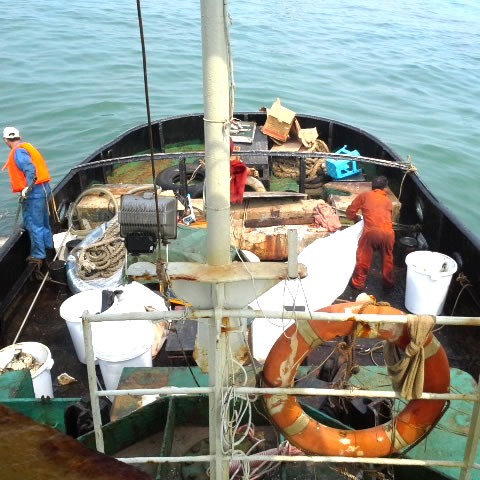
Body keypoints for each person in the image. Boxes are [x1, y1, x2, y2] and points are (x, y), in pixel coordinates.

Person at [2, 126, 54, 267]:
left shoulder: (18, 152)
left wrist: (28, 188)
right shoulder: (27, 147)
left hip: (34, 193)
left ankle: (38, 255)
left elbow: (30, 169)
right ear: (19, 137)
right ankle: (49, 248)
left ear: (6, 140)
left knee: (33, 224)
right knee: (44, 222)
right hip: (43, 189)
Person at [346, 175, 395, 290]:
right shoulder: (388, 201)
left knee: (364, 258)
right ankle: (388, 283)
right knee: (387, 259)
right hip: (389, 234)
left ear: (372, 185)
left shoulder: (364, 196)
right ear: (385, 188)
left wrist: (356, 218)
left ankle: (358, 284)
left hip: (371, 233)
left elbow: (350, 212)